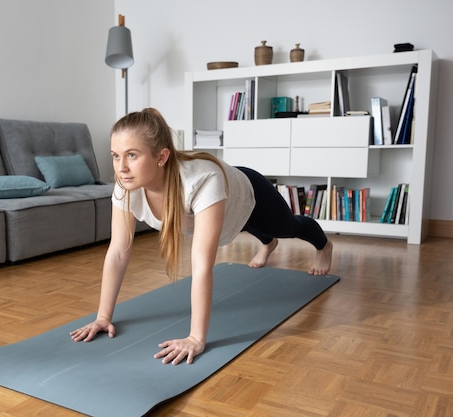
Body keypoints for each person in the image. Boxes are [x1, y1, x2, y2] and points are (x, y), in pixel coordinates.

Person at [70, 107, 333, 365]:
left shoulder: (202, 179)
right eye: (115, 156)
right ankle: (267, 244)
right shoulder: (126, 186)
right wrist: (103, 316)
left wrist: (196, 337)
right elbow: (118, 250)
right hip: (227, 212)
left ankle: (323, 245)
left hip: (251, 194)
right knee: (241, 227)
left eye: (132, 155)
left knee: (288, 227)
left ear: (161, 156)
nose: (121, 167)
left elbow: (201, 265)